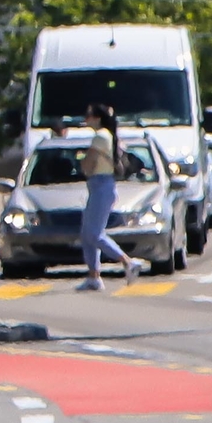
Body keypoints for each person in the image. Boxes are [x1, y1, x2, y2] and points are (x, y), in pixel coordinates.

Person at [76, 102, 132, 290]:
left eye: (89, 116)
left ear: (97, 119)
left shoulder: (100, 136)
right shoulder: (107, 136)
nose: (86, 119)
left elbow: (88, 165)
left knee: (94, 233)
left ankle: (127, 262)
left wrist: (82, 162)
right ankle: (94, 276)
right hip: (102, 185)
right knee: (87, 233)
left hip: (100, 184)